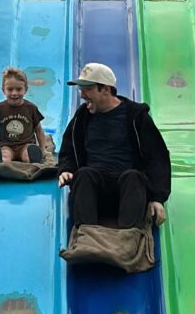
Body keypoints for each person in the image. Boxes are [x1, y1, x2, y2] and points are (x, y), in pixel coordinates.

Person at [58, 62, 171, 229]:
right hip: (95, 196)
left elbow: (157, 156)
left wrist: (157, 198)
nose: (82, 95)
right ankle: (86, 235)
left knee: (134, 176)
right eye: (81, 89)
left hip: (128, 195)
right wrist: (66, 169)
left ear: (105, 89)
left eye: (87, 89)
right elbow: (69, 148)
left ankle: (129, 236)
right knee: (84, 174)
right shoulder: (82, 116)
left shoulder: (136, 117)